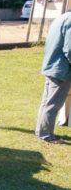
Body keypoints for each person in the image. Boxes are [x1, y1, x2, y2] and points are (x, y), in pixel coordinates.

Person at [35, 12, 71, 144]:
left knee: (46, 102)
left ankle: (41, 131)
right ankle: (46, 135)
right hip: (61, 70)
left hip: (52, 65)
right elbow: (69, 48)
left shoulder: (61, 17)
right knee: (53, 104)